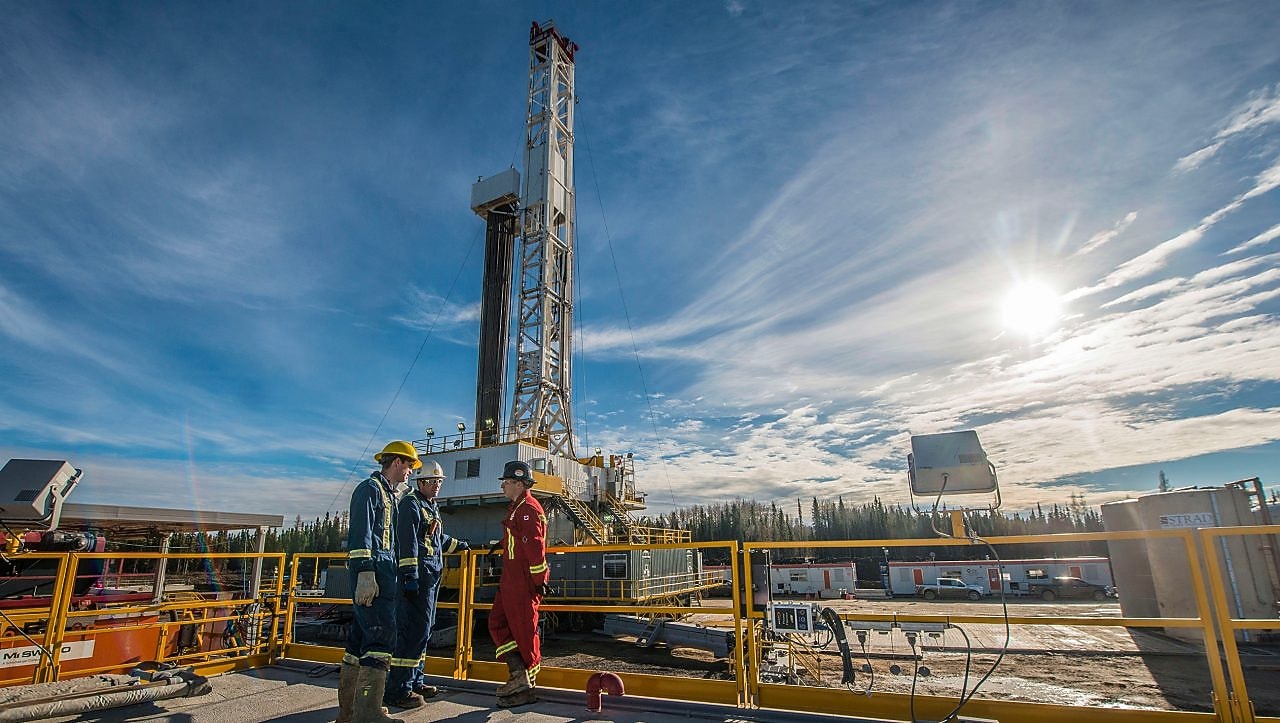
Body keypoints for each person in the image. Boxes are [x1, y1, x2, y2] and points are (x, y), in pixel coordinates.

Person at [337, 441, 419, 723]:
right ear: (396, 462)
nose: (410, 472)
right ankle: (368, 714)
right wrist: (364, 572)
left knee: (359, 642)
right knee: (382, 638)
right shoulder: (369, 490)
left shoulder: (389, 495)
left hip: (385, 576)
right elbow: (362, 534)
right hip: (374, 577)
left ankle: (349, 714)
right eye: (409, 465)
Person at [384, 460, 469, 709]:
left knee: (424, 631)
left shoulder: (430, 507)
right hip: (417, 580)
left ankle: (415, 681)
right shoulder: (411, 505)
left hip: (431, 579)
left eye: (439, 482)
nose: (436, 486)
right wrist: (409, 576)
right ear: (419, 482)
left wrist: (457, 545)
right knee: (411, 632)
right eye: (432, 482)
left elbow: (434, 537)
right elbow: (408, 542)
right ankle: (398, 689)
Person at [488, 459, 549, 708]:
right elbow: (518, 542)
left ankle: (526, 686)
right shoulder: (516, 508)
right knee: (497, 623)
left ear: (518, 483)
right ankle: (518, 676)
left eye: (506, 482)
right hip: (510, 580)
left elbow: (535, 549)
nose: (502, 487)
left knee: (524, 632)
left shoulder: (529, 509)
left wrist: (539, 581)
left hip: (523, 582)